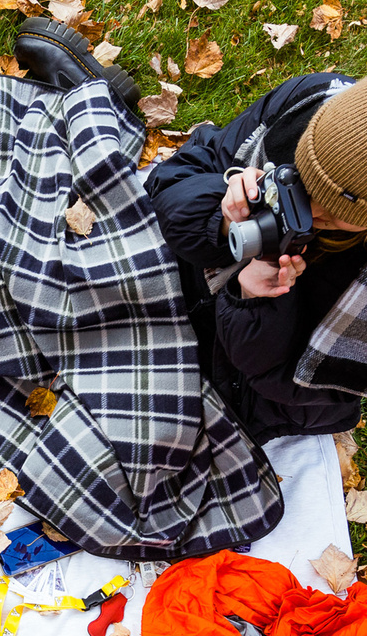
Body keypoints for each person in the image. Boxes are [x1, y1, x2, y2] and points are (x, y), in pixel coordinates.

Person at [144, 73, 367, 443]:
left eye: (328, 211)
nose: (307, 217)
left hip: (255, 385)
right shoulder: (308, 103)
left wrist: (255, 301)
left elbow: (287, 383)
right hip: (189, 276)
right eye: (301, 186)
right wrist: (221, 217)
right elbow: (177, 178)